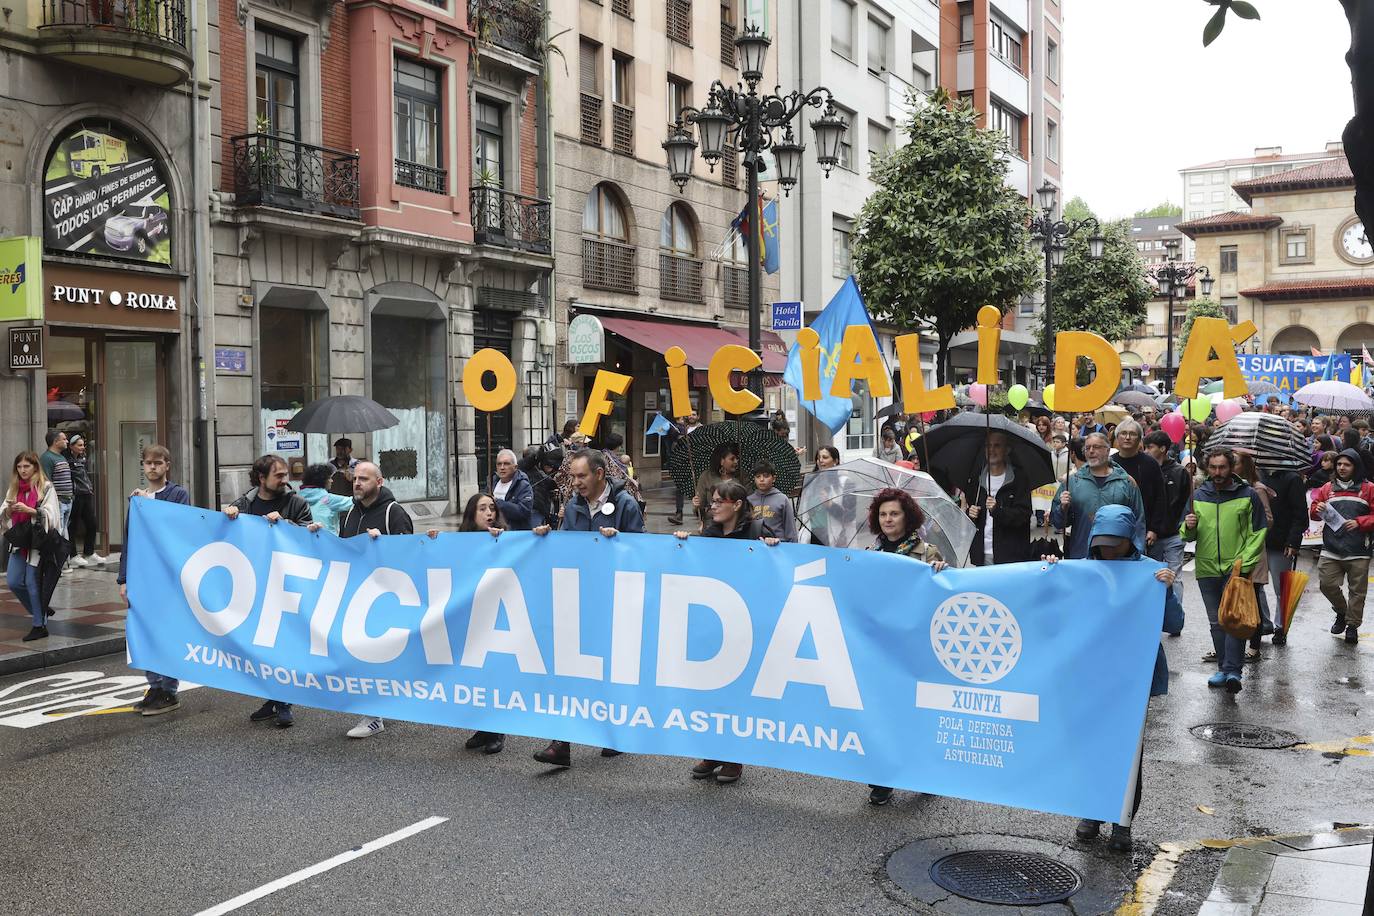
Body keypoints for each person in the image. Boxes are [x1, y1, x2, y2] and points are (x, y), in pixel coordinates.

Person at [1053, 504, 1181, 854]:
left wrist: (1167, 590)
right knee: (1090, 746)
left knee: (1128, 751)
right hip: (1091, 675)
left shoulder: (1151, 573)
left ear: (1131, 540)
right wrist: (1050, 574)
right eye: (1103, 543)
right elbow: (1058, 612)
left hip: (1133, 677)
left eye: (1116, 543)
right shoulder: (1083, 571)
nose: (1108, 550)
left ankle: (1122, 822)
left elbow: (1175, 624)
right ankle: (1091, 813)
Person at [531, 449, 644, 768]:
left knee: (606, 670)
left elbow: (643, 550)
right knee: (569, 670)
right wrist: (547, 539)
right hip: (578, 598)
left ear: (599, 474)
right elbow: (567, 547)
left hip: (612, 601)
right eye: (573, 476)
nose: (575, 482)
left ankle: (614, 733)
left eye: (581, 476)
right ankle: (560, 744)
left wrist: (620, 541)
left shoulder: (625, 504)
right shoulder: (574, 505)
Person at [675, 479, 780, 784]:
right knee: (710, 691)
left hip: (745, 623)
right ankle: (713, 752)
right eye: (711, 501)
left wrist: (773, 549)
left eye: (719, 501)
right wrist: (685, 543)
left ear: (736, 505)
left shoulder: (757, 532)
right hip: (713, 623)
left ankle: (734, 758)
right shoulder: (708, 532)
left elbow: (777, 571)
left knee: (737, 693)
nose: (713, 506)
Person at [863, 487, 947, 806]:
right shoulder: (871, 554)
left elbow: (944, 596)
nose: (888, 519)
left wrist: (943, 573)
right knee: (882, 712)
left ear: (907, 517)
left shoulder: (928, 553)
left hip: (915, 648)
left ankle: (923, 770)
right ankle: (883, 778)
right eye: (883, 514)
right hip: (881, 648)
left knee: (915, 712)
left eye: (894, 513)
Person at [329, 461, 416, 738]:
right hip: (357, 596)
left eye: (364, 479)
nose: (357, 483)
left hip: (385, 599)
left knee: (377, 657)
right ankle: (376, 710)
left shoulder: (394, 513)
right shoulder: (349, 514)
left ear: (379, 482)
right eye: (355, 479)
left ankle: (374, 715)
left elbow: (411, 557)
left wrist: (383, 547)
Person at [226, 455, 314, 727]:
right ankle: (272, 698)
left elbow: (312, 537)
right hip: (255, 585)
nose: (285, 480)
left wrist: (286, 526)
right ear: (261, 478)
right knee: (261, 645)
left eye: (286, 474)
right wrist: (229, 517)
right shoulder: (245, 504)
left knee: (283, 643)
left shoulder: (295, 503)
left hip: (287, 587)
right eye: (279, 475)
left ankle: (284, 701)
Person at [427, 493, 507, 753]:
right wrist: (433, 542)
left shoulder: (506, 539)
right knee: (474, 674)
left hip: (496, 617)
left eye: (492, 508)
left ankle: (497, 730)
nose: (489, 513)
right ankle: (482, 728)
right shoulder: (460, 542)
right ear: (471, 513)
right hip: (469, 617)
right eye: (482, 508)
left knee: (493, 673)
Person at [1182, 449, 1268, 692]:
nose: (1217, 473)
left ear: (1231, 468)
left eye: (1222, 467)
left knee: (1234, 620)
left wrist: (1243, 564)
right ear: (1207, 469)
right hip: (1207, 568)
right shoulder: (1198, 495)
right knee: (1216, 622)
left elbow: (1258, 531)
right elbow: (1186, 533)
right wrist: (1188, 527)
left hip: (1236, 568)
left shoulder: (1248, 495)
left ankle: (1233, 671)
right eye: (1213, 468)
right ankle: (1223, 668)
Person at [116, 444, 192, 714]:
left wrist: (149, 504)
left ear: (167, 465)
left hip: (166, 578)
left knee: (165, 631)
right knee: (143, 632)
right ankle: (154, 686)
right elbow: (129, 540)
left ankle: (169, 689)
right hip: (141, 577)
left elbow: (177, 527)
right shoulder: (138, 499)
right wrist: (123, 579)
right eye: (148, 463)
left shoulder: (177, 494)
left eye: (158, 463)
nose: (152, 467)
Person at [1308, 449, 1374, 645]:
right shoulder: (1327, 488)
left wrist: (1360, 523)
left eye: (1347, 464)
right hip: (1331, 547)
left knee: (1357, 591)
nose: (1342, 468)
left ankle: (1352, 626)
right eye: (1339, 464)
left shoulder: (1369, 488)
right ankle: (1341, 611)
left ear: (1355, 466)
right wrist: (1316, 508)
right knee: (1326, 584)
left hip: (1358, 550)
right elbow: (1313, 514)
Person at [1051, 433, 1145, 559]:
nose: (1091, 451)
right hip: (1082, 555)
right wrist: (1062, 508)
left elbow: (1138, 521)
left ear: (1107, 450)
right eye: (1087, 448)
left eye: (1096, 447)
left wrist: (1137, 554)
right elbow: (1058, 523)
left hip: (1118, 558)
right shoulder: (1072, 482)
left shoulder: (1126, 482)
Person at [1, 452, 60, 641]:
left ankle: (39, 624)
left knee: (32, 583)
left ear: (35, 466)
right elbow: (3, 512)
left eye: (26, 466)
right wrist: (9, 510)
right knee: (13, 581)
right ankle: (40, 609)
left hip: (37, 544)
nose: (23, 470)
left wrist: (32, 511)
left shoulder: (46, 487)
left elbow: (52, 516)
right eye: (19, 467)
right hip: (20, 542)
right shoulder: (15, 487)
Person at [965, 430, 1032, 566]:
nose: (991, 450)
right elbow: (971, 517)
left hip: (1010, 556)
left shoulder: (1018, 479)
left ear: (1007, 450)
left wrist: (998, 510)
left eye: (997, 446)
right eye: (988, 446)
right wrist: (970, 514)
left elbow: (1024, 516)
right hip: (981, 554)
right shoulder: (976, 479)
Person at [1143, 431, 1192, 604]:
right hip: (1149, 535)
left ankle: (1175, 614)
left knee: (1174, 575)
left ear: (1163, 448)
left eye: (1150, 447)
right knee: (1153, 576)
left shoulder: (1179, 472)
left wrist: (1179, 526)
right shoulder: (1146, 468)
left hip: (1172, 533)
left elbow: (1179, 502)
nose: (1146, 451)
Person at [1111, 420, 1169, 552]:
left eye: (1132, 434)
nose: (1127, 437)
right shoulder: (1110, 463)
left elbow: (1160, 497)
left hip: (1143, 529)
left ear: (1139, 439)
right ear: (1117, 437)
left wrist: (1154, 528)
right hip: (1114, 527)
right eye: (1123, 433)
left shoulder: (1150, 464)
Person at [65, 435, 106, 566]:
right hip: (76, 495)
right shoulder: (68, 461)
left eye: (83, 445)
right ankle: (73, 555)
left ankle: (89, 552)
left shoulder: (82, 459)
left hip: (86, 494)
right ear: (71, 446)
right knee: (73, 526)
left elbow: (84, 477)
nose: (82, 448)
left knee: (92, 523)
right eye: (79, 445)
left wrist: (89, 488)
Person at [694, 441, 742, 528]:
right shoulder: (706, 476)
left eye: (737, 458)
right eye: (732, 459)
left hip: (736, 526)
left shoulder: (742, 477)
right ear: (721, 461)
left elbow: (748, 503)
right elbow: (700, 507)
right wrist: (697, 504)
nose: (736, 462)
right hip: (711, 524)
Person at [299, 462, 356, 534]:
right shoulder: (328, 499)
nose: (332, 481)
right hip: (328, 541)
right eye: (329, 478)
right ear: (322, 480)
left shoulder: (297, 498)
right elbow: (354, 502)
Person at [748, 460, 797, 541]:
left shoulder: (782, 499)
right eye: (758, 476)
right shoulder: (749, 500)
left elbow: (791, 530)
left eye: (766, 476)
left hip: (779, 545)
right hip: (756, 546)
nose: (762, 479)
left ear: (773, 478)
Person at [490, 448, 535, 530]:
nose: (502, 467)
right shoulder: (492, 482)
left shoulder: (523, 485)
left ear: (515, 467)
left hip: (515, 534)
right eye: (499, 464)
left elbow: (524, 512)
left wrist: (497, 503)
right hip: (495, 534)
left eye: (506, 464)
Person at [39, 430, 73, 539]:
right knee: (59, 532)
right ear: (55, 441)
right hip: (58, 501)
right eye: (64, 439)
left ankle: (64, 555)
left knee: (64, 530)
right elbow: (45, 481)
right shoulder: (47, 458)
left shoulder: (61, 457)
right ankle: (60, 556)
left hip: (67, 500)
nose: (67, 441)